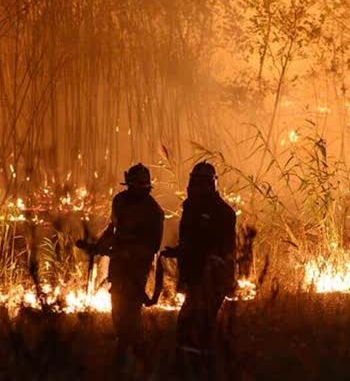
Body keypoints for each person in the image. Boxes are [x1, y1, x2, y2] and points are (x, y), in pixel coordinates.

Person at [77, 163, 164, 369]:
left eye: (139, 186)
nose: (135, 190)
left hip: (136, 269)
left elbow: (152, 246)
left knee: (130, 313)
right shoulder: (120, 201)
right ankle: (132, 354)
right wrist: (98, 247)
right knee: (118, 311)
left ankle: (132, 359)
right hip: (118, 267)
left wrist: (128, 253)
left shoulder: (154, 211)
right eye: (132, 186)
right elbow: (113, 228)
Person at [164, 161, 236, 377]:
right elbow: (193, 241)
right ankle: (192, 366)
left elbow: (222, 249)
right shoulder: (191, 208)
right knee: (190, 323)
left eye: (201, 182)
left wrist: (213, 273)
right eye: (194, 182)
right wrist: (178, 251)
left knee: (197, 323)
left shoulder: (222, 212)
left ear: (211, 184)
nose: (195, 187)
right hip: (195, 276)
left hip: (211, 278)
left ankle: (198, 368)